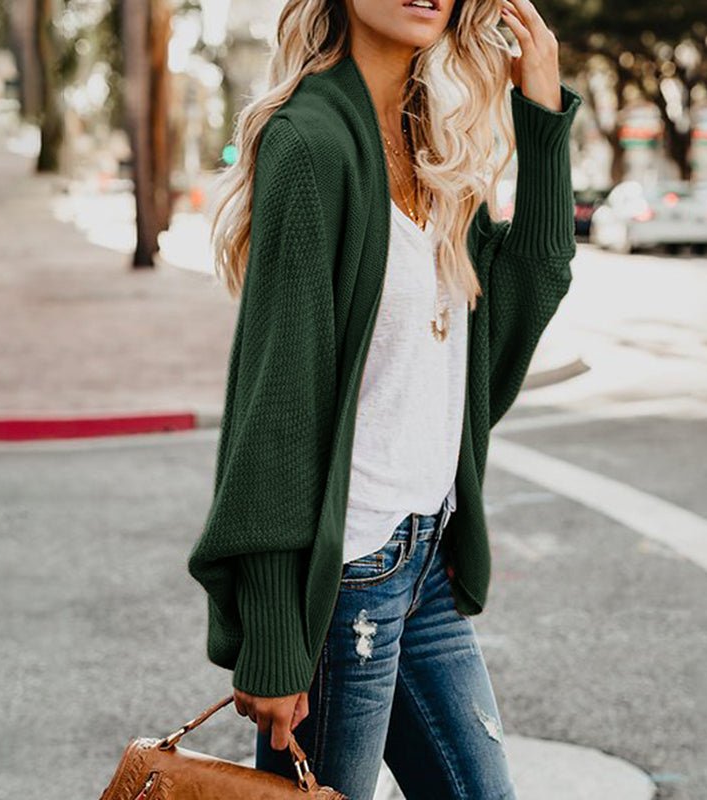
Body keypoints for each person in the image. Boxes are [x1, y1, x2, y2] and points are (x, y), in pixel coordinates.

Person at [187, 0, 583, 797]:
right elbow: (278, 404)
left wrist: (540, 114)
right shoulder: (310, 142)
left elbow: (525, 293)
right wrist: (273, 633)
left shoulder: (434, 139)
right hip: (347, 583)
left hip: (428, 555)